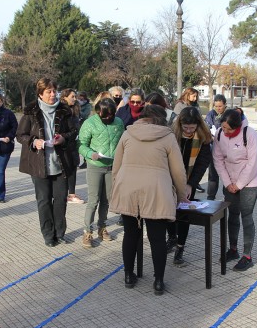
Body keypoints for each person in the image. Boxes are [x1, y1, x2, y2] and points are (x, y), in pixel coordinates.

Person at [110, 105, 188, 295]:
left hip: (128, 189)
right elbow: (178, 172)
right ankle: (159, 282)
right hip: (157, 191)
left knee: (130, 235)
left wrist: (116, 187)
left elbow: (116, 166)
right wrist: (180, 194)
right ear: (161, 119)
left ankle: (129, 276)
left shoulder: (128, 134)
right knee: (157, 239)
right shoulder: (168, 137)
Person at [16, 78, 79, 247]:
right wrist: (34, 141)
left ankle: (60, 233)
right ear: (40, 94)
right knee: (43, 200)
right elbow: (20, 135)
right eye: (48, 92)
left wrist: (63, 138)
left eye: (54, 91)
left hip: (60, 164)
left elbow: (73, 132)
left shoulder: (64, 110)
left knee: (60, 200)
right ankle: (48, 234)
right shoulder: (31, 112)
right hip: (39, 164)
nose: (52, 95)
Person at [213, 109, 257, 272]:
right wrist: (228, 183)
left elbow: (253, 163)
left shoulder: (250, 134)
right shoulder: (220, 134)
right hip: (230, 182)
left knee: (246, 215)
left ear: (238, 126)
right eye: (223, 128)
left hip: (250, 182)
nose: (225, 132)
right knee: (232, 215)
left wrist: (239, 185)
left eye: (229, 129)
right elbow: (218, 159)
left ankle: (247, 256)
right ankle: (233, 249)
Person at [167, 106, 212, 267]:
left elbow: (202, 163)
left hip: (189, 180)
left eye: (192, 128)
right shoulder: (172, 135)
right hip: (170, 179)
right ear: (180, 124)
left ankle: (180, 248)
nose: (188, 130)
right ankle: (171, 237)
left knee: (184, 215)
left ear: (198, 125)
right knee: (168, 212)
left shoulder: (204, 138)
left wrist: (191, 184)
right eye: (185, 127)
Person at [78, 98, 125, 247]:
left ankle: (102, 227)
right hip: (95, 165)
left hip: (112, 166)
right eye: (105, 116)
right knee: (93, 200)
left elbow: (123, 142)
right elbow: (80, 144)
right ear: (98, 112)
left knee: (107, 199)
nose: (108, 118)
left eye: (111, 115)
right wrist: (90, 154)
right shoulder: (89, 123)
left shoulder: (118, 123)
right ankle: (87, 231)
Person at [60, 88, 85, 204]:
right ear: (64, 97)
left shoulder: (75, 109)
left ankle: (72, 194)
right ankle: (64, 194)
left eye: (75, 97)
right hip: (64, 144)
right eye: (72, 97)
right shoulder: (60, 110)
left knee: (73, 168)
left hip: (73, 143)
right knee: (65, 169)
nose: (75, 99)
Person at [204, 94, 228, 200]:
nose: (218, 108)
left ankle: (227, 195)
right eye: (216, 106)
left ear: (225, 105)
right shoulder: (211, 114)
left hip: (227, 150)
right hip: (213, 148)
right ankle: (210, 196)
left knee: (227, 174)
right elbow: (206, 128)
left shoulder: (229, 114)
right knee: (213, 175)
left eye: (220, 106)